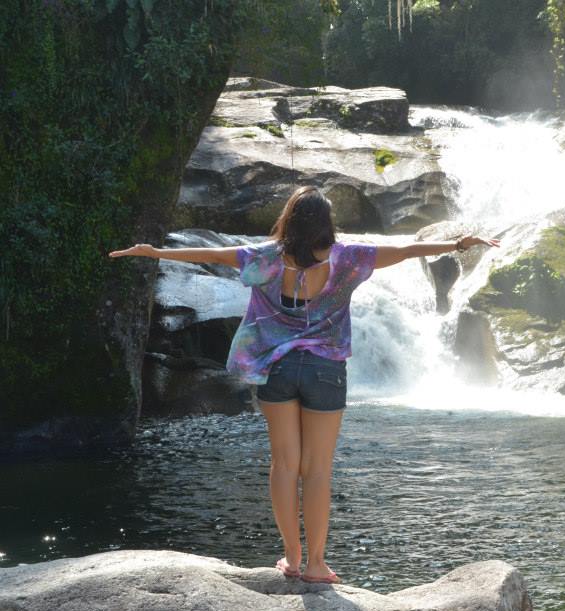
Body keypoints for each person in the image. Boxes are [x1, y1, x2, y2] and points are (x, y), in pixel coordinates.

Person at [109, 185, 499, 583]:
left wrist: (155, 253)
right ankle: (316, 564)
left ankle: (292, 559)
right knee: (317, 471)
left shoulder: (263, 259)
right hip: (326, 371)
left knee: (283, 465)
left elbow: (210, 255)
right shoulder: (348, 258)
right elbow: (403, 252)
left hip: (276, 370)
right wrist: (455, 243)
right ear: (327, 224)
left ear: (290, 221)